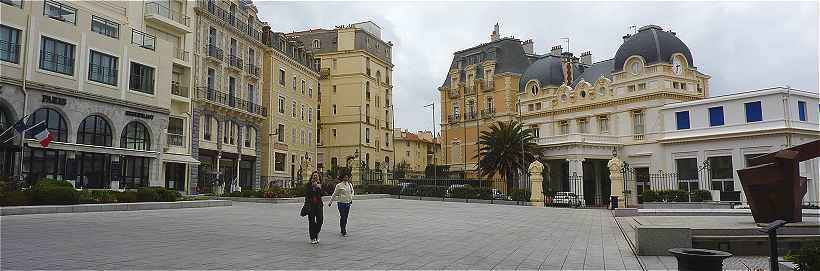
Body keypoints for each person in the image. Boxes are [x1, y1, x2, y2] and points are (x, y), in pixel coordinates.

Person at [328, 172, 355, 237]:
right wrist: (330, 202)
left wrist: (351, 197)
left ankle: (343, 227)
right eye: (345, 177)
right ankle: (343, 230)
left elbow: (352, 191)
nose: (346, 178)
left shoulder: (350, 184)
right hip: (341, 203)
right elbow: (334, 194)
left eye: (347, 177)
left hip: (348, 202)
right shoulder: (339, 185)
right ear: (342, 178)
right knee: (342, 216)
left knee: (345, 217)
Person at [304, 171, 324, 244]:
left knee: (320, 221)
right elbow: (307, 194)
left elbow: (322, 194)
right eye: (314, 175)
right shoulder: (308, 185)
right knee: (311, 222)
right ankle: (312, 237)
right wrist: (313, 187)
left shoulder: (320, 185)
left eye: (317, 176)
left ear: (319, 177)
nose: (315, 177)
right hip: (311, 206)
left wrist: (318, 188)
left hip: (319, 205)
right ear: (312, 177)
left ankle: (316, 233)